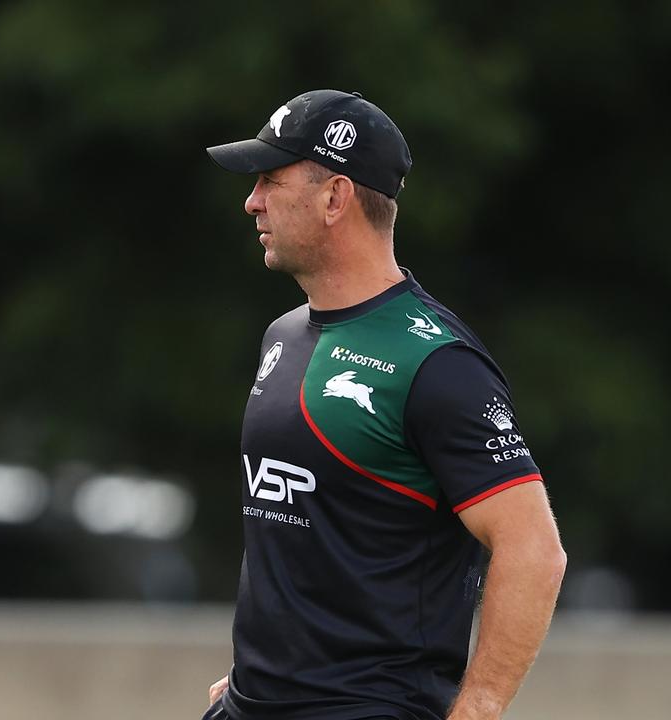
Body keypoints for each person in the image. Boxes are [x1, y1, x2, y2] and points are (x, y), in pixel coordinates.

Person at [202, 89, 567, 720]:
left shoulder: (436, 362)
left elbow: (534, 549)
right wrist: (251, 678)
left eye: (269, 179)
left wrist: (477, 707)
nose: (251, 201)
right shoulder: (284, 335)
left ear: (335, 197)